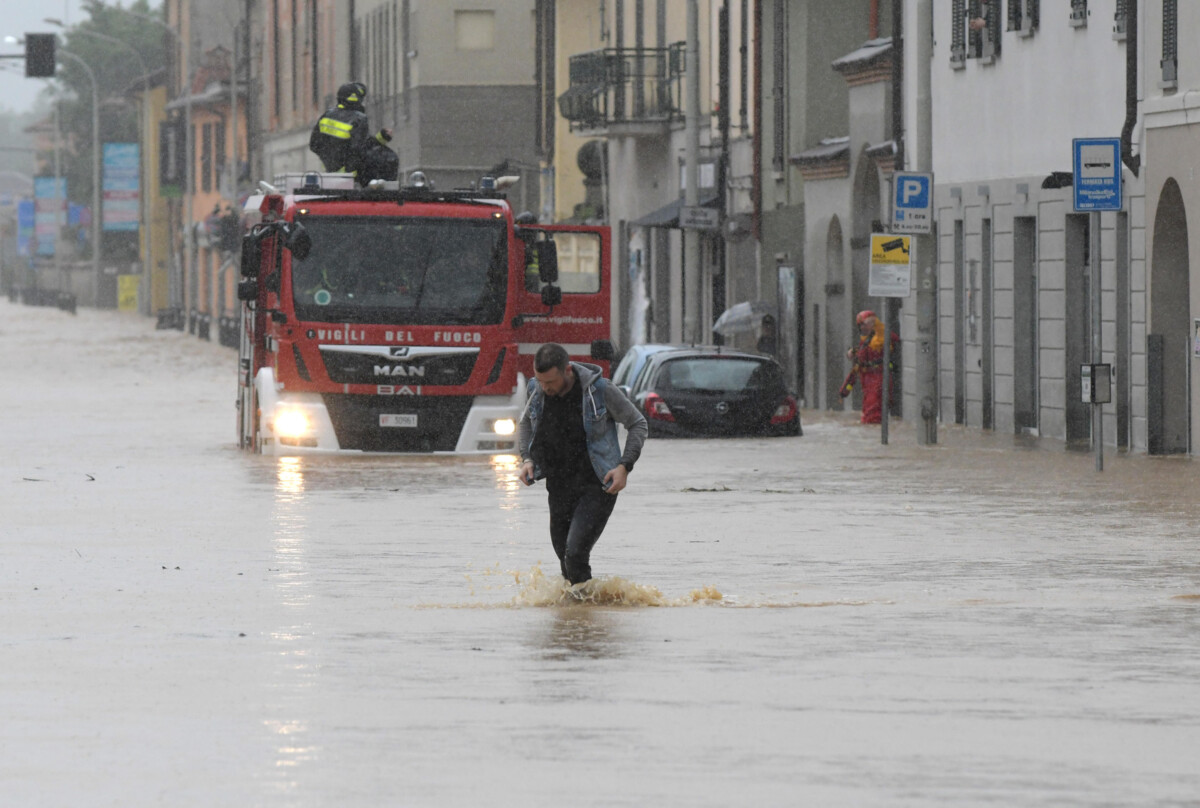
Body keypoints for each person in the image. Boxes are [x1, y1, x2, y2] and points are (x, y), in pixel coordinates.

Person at [519, 343, 648, 592]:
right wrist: (527, 459)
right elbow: (524, 423)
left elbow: (638, 423)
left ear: (567, 370)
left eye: (551, 382)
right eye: (540, 381)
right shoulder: (537, 389)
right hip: (558, 485)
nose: (545, 388)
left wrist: (625, 466)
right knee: (564, 559)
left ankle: (584, 622)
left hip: (597, 485)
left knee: (575, 553)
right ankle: (579, 619)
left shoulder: (600, 390)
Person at [309, 82, 397, 185]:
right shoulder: (359, 119)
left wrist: (330, 160)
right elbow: (360, 149)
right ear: (356, 98)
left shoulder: (327, 115)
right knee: (389, 157)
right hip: (352, 176)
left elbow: (314, 145)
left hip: (330, 174)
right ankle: (382, 192)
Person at [842, 309, 899, 424]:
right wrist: (852, 353)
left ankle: (872, 428)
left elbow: (891, 339)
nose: (863, 328)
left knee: (873, 410)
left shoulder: (882, 336)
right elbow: (862, 355)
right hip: (867, 378)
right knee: (868, 406)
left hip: (878, 377)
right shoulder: (866, 340)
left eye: (865, 324)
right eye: (861, 325)